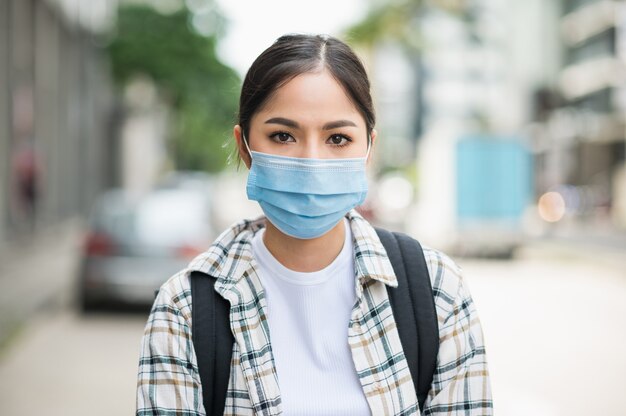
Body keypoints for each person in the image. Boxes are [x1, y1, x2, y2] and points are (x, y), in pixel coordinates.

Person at [136, 34, 492, 415]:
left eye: (338, 138)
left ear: (369, 148)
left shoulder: (437, 290)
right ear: (244, 146)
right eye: (283, 136)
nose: (311, 162)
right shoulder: (184, 309)